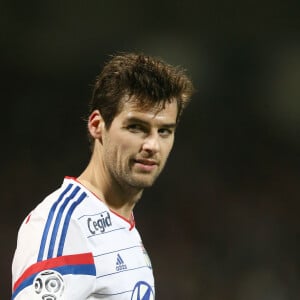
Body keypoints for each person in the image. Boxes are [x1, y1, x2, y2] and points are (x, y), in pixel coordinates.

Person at [11, 53, 194, 300]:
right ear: (97, 125)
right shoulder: (65, 224)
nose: (153, 145)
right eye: (136, 127)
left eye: (164, 131)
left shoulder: (120, 222)